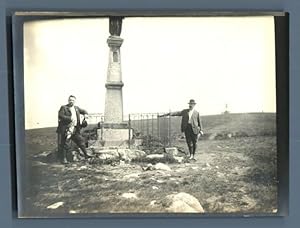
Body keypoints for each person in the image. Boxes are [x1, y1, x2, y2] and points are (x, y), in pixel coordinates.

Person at [56, 95, 91, 164]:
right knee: (66, 144)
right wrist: (69, 118)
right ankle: (64, 159)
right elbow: (60, 115)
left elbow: (84, 111)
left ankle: (86, 155)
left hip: (75, 129)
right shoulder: (64, 107)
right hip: (66, 129)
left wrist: (85, 114)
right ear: (68, 100)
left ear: (75, 101)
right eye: (70, 100)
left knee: (81, 141)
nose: (71, 101)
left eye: (72, 100)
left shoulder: (76, 108)